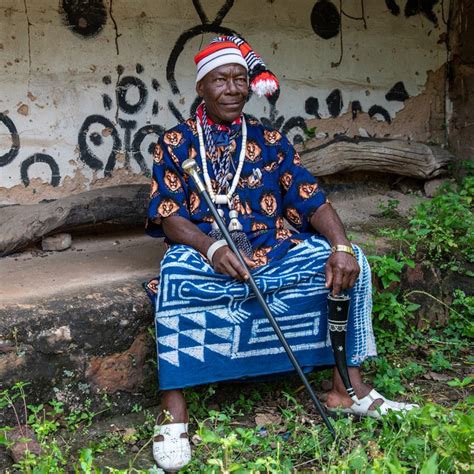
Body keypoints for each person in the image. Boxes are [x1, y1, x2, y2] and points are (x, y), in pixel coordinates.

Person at [145, 36, 417, 471]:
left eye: (240, 79)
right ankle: (172, 412)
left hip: (272, 248)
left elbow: (310, 197)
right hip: (205, 251)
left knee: (349, 264)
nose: (233, 89)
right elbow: (168, 215)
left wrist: (341, 246)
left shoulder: (268, 139)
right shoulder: (175, 142)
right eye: (221, 80)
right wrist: (212, 247)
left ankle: (346, 389)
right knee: (175, 275)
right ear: (201, 87)